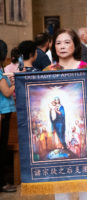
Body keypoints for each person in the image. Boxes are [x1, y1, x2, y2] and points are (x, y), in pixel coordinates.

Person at [43, 28, 87, 200]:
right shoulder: (47, 71)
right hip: (57, 124)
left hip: (84, 132)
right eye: (58, 43)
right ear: (53, 47)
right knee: (61, 181)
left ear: (75, 45)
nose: (62, 46)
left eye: (67, 42)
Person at [0, 40, 17, 193]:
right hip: (3, 113)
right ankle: (2, 183)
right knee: (2, 148)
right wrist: (15, 83)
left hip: (5, 112)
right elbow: (6, 92)